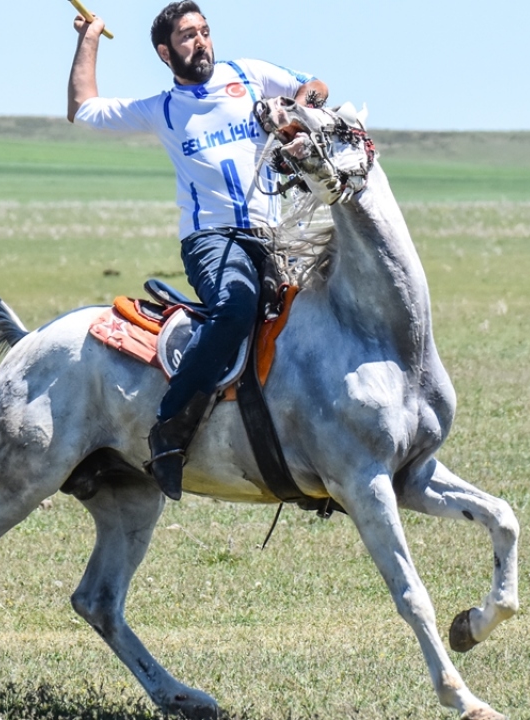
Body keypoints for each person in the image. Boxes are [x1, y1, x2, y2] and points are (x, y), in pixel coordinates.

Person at [67, 1, 328, 501]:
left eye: (205, 31)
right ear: (166, 52)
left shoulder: (247, 75)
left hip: (275, 237)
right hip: (212, 240)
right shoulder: (162, 109)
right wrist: (91, 38)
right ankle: (169, 431)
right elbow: (82, 108)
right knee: (236, 306)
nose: (201, 42)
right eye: (188, 36)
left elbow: (315, 84)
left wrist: (293, 110)